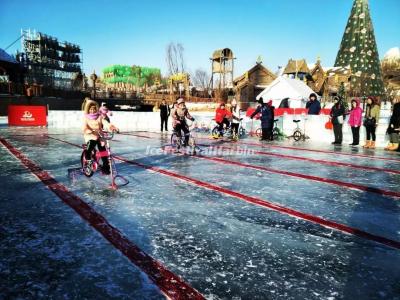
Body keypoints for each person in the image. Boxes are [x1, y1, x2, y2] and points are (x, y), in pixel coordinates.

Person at [83, 99, 118, 175]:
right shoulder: (86, 118)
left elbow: (105, 123)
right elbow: (85, 127)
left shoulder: (99, 117)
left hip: (99, 135)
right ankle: (88, 163)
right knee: (90, 145)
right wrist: (90, 131)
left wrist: (112, 127)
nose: (92, 111)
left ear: (96, 109)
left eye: (94, 109)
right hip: (90, 135)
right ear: (88, 110)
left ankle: (105, 167)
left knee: (103, 150)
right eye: (91, 109)